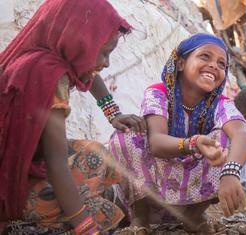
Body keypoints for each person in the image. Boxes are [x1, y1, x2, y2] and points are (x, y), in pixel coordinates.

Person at [0, 0, 145, 234]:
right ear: (81, 42)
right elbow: (55, 163)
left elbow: (91, 70)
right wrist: (84, 226)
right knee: (97, 209)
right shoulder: (49, 77)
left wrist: (113, 113)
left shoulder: (37, 55)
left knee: (97, 153)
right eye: (105, 53)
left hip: (21, 162)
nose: (106, 63)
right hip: (13, 181)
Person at [109, 33, 246, 234]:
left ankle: (194, 215)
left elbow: (243, 135)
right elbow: (157, 143)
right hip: (153, 191)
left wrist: (231, 171)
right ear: (181, 64)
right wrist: (193, 143)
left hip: (193, 193)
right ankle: (140, 217)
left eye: (222, 64)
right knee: (125, 136)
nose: (214, 66)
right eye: (205, 56)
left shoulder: (222, 105)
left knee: (226, 138)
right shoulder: (158, 93)